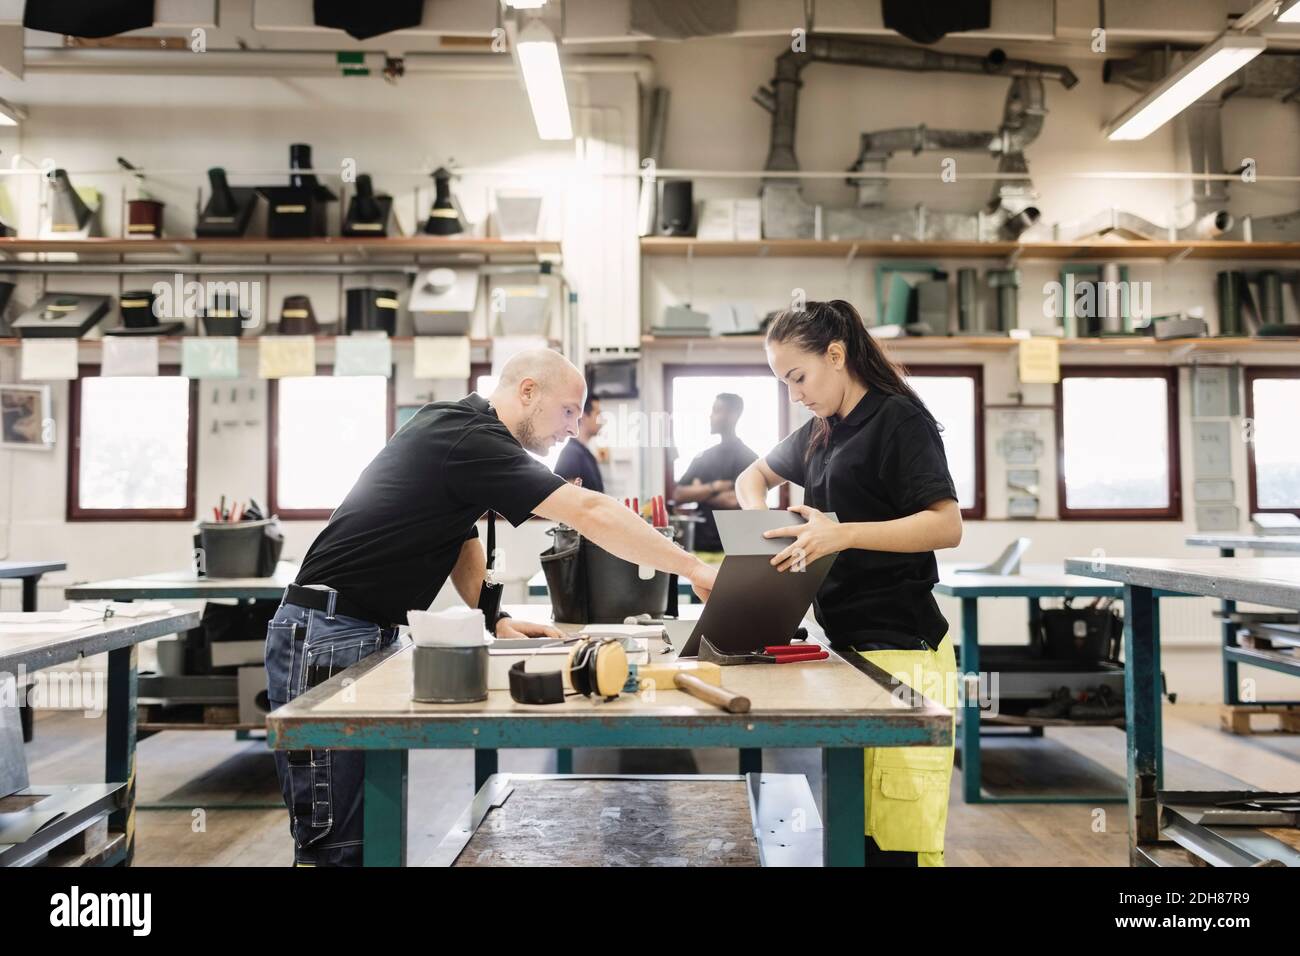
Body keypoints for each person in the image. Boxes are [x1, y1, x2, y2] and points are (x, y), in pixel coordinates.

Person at [264, 348, 717, 866]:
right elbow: (590, 511)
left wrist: (492, 618)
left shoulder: (462, 432)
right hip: (329, 631)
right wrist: (694, 568)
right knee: (334, 842)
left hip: (351, 629)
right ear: (528, 392)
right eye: (569, 410)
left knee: (361, 829)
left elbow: (460, 538)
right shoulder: (469, 436)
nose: (573, 428)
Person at [734, 300, 962, 867]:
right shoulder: (821, 431)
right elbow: (750, 477)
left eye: (798, 377)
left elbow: (946, 525)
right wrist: (765, 529)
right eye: (783, 382)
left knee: (896, 844)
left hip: (903, 651)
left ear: (836, 355)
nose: (795, 394)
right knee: (854, 834)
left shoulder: (898, 421)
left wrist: (842, 535)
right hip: (848, 651)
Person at [672, 393, 757, 554]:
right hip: (700, 547)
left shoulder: (749, 458)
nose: (711, 416)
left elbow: (734, 501)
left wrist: (699, 491)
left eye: (717, 411)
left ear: (733, 415)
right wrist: (716, 486)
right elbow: (678, 495)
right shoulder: (704, 456)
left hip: (734, 548)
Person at [554, 395, 604, 492]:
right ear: (584, 416)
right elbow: (568, 498)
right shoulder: (571, 453)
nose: (601, 420)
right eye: (598, 414)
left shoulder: (586, 454)